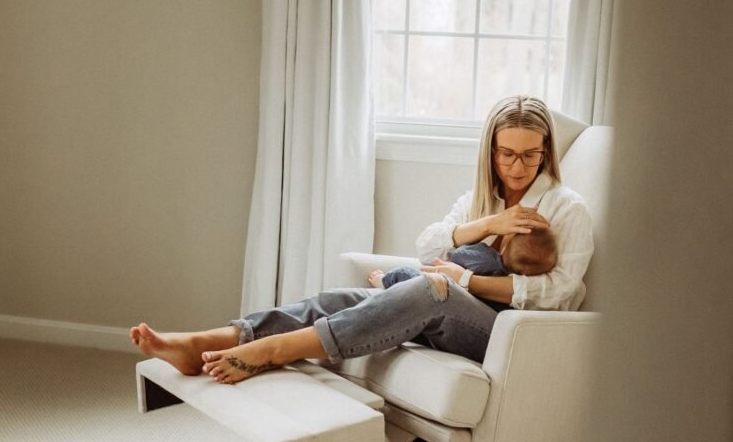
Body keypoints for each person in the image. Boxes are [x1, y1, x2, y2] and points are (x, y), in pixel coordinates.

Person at [129, 95, 594, 384]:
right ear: (490, 152)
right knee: (348, 296)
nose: (518, 166)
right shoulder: (479, 199)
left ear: (547, 152)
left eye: (531, 155)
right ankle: (213, 339)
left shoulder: (566, 207)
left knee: (428, 288)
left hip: (508, 334)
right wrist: (487, 224)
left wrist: (466, 282)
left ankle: (272, 350)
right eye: (507, 154)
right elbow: (429, 245)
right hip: (457, 309)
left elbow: (563, 293)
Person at [368, 227, 558, 315]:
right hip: (471, 308)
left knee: (407, 274)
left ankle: (384, 281)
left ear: (505, 247)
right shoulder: (510, 288)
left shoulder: (486, 257)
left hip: (447, 293)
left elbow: (458, 255)